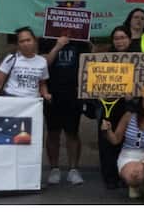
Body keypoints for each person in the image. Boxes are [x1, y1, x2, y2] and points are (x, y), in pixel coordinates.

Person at [102, 84, 144, 199]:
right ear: (141, 101)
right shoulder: (129, 116)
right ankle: (139, 185)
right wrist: (107, 131)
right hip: (128, 156)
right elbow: (115, 140)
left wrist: (143, 162)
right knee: (133, 177)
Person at [41, 32, 92, 186]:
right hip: (52, 94)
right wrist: (58, 46)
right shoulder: (46, 39)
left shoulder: (81, 40)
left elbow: (88, 66)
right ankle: (54, 169)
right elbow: (43, 64)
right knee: (53, 132)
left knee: (72, 132)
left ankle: (73, 170)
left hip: (73, 93)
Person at [92, 26, 135, 190]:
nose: (120, 41)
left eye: (123, 37)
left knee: (126, 142)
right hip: (106, 105)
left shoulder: (137, 58)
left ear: (129, 39)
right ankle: (109, 176)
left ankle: (124, 175)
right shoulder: (104, 58)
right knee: (106, 142)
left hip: (128, 106)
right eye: (116, 38)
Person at [0, 27, 51, 100]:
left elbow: (42, 83)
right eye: (22, 41)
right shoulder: (11, 59)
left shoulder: (42, 61)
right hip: (12, 99)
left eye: (28, 40)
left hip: (32, 103)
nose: (25, 44)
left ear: (34, 41)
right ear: (18, 44)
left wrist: (45, 94)